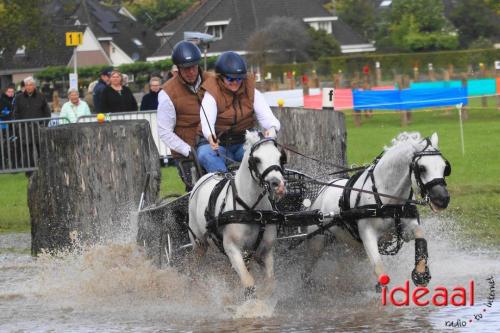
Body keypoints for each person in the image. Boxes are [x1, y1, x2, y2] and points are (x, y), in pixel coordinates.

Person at [197, 51, 280, 173]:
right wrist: (211, 136)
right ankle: (224, 184)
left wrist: (272, 128)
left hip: (243, 143)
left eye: (239, 79)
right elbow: (207, 122)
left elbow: (267, 117)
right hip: (219, 145)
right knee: (205, 154)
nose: (235, 82)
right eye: (230, 79)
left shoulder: (252, 91)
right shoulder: (211, 94)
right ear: (221, 77)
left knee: (264, 152)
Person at [157, 41, 212, 189]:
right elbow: (164, 131)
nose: (191, 72)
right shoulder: (167, 93)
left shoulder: (212, 81)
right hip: (186, 154)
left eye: (193, 67)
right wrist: (188, 150)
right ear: (178, 69)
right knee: (198, 191)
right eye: (185, 69)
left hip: (213, 145)